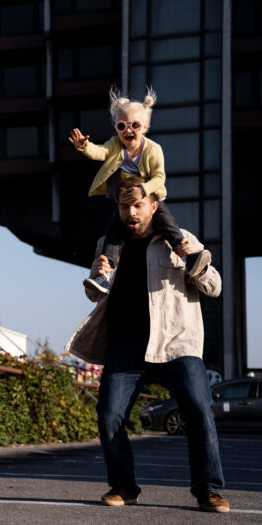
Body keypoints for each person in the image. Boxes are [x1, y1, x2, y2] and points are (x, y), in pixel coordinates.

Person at [65, 176, 229, 513]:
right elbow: (95, 294)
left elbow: (214, 287)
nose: (131, 212)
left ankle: (209, 489)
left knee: (198, 409)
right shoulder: (108, 244)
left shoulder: (179, 240)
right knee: (109, 414)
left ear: (154, 206)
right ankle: (123, 487)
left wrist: (194, 258)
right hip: (127, 346)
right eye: (125, 206)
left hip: (176, 343)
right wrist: (96, 275)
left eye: (137, 205)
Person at [68, 86, 210, 295]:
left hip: (149, 193)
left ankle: (186, 254)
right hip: (124, 192)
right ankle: (105, 273)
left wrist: (143, 191)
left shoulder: (153, 149)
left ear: (145, 126)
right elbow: (100, 152)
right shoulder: (115, 145)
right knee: (113, 229)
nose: (128, 130)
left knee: (166, 220)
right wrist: (84, 147)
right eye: (121, 125)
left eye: (134, 125)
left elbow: (160, 177)